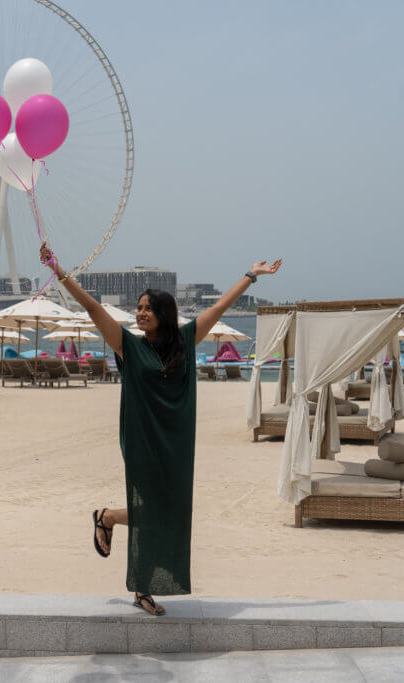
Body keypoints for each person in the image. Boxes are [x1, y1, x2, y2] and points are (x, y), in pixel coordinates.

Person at [39, 243, 282, 615]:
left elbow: (218, 308)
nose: (140, 314)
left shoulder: (185, 341)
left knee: (172, 510)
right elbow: (92, 307)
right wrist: (58, 270)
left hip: (177, 442)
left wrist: (250, 275)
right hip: (143, 440)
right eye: (138, 308)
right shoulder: (127, 347)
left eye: (147, 308)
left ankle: (108, 519)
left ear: (164, 314)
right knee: (151, 511)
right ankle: (138, 580)